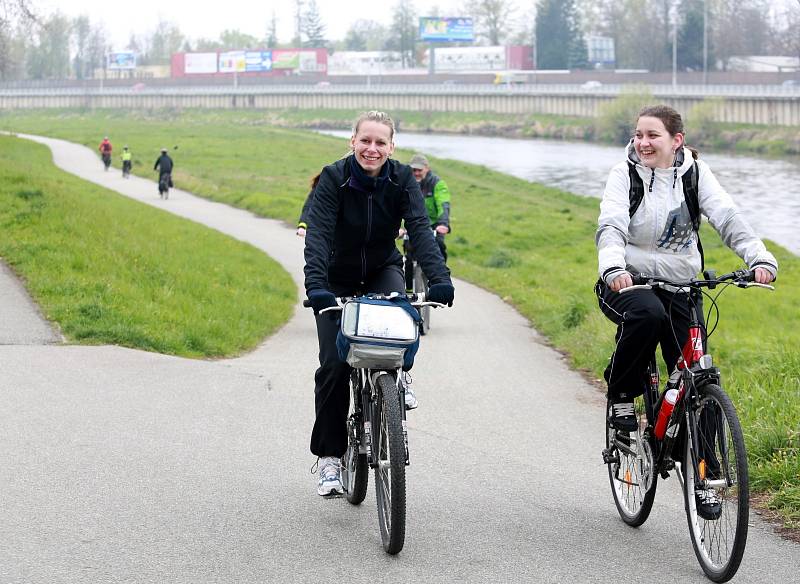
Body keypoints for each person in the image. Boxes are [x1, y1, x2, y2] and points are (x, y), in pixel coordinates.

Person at [595, 104, 777, 515]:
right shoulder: (623, 173)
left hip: (682, 285)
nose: (642, 142)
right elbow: (611, 224)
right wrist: (613, 267)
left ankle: (705, 476)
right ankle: (623, 396)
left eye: (652, 135)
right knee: (647, 316)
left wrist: (759, 258)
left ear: (676, 141)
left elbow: (727, 216)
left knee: (698, 374)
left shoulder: (694, 173)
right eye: (638, 134)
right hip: (629, 281)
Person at [304, 110, 454, 496]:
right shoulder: (334, 178)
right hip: (336, 276)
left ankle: (399, 378)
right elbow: (318, 233)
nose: (372, 149)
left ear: (391, 146)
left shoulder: (402, 178)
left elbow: (419, 230)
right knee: (336, 365)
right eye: (365, 141)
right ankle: (330, 460)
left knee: (403, 319)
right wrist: (317, 286)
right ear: (352, 141)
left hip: (381, 269)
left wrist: (439, 279)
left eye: (380, 142)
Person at [400, 153, 452, 291]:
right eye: (413, 170)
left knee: (439, 246)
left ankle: (439, 279)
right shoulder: (406, 183)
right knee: (409, 256)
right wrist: (399, 227)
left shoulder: (437, 183)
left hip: (434, 225)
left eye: (419, 170)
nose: (416, 173)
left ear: (427, 169)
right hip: (412, 224)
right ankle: (409, 290)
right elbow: (397, 207)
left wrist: (443, 224)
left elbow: (443, 205)